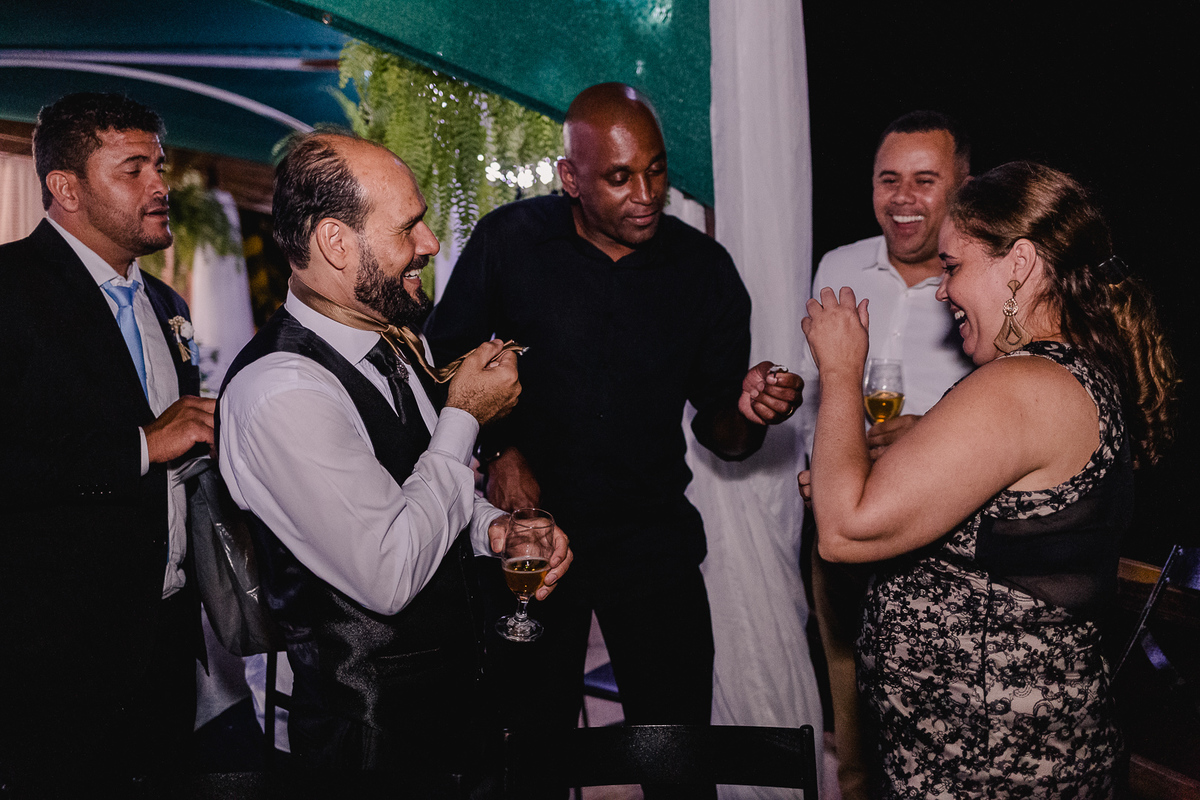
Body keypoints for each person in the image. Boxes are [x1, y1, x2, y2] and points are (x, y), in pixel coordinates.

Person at [424, 83, 801, 767]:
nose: (646, 193)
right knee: (527, 751)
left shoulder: (704, 271)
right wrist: (499, 448)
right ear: (570, 177)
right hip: (531, 537)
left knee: (678, 754)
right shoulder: (509, 242)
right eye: (620, 177)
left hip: (650, 540)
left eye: (655, 169)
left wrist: (748, 411)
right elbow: (441, 363)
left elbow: (726, 436)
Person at [800, 161, 1178, 797]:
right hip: (981, 759)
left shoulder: (1025, 384)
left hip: (996, 770)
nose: (944, 290)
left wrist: (841, 372)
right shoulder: (1055, 375)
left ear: (1021, 263)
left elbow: (844, 531)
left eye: (954, 266)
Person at [217, 130, 571, 789]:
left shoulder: (391, 344)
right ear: (335, 242)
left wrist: (491, 528)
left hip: (461, 725)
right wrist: (465, 413)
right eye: (410, 226)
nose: (432, 244)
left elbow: (419, 492)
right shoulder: (280, 394)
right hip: (375, 753)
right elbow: (389, 570)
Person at [0, 93, 213, 793]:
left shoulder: (167, 306)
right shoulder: (9, 290)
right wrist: (141, 446)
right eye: (132, 169)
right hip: (53, 656)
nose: (159, 185)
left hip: (167, 641)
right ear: (65, 189)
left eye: (159, 164)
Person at [796, 110, 974, 800]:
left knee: (939, 736)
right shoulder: (839, 266)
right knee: (854, 727)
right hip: (842, 533)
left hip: (945, 547)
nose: (903, 198)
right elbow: (822, 397)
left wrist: (931, 436)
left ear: (963, 184)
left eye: (925, 180)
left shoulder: (983, 281)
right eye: (888, 179)